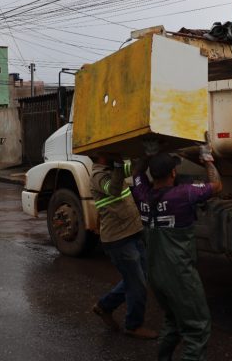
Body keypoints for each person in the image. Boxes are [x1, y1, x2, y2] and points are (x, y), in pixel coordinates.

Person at [131, 143, 222, 361]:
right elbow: (216, 185)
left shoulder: (142, 195)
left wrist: (146, 156)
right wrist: (207, 158)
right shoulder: (183, 194)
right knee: (197, 328)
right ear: (173, 172)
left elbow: (136, 174)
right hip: (180, 276)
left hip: (155, 275)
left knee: (172, 321)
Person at [90, 153, 157, 340]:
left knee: (138, 279)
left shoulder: (112, 169)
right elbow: (113, 189)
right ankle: (133, 326)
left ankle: (104, 306)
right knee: (137, 283)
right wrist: (119, 164)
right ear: (100, 156)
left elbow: (137, 169)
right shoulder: (97, 176)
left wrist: (147, 155)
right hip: (118, 240)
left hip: (133, 233)